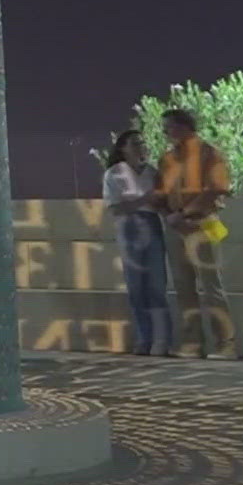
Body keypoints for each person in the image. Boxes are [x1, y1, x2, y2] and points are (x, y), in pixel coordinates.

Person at [157, 109, 238, 359]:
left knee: (211, 287)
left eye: (169, 127)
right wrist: (169, 215)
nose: (165, 133)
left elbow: (217, 188)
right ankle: (193, 343)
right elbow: (159, 192)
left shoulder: (209, 154)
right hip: (175, 227)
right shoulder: (167, 159)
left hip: (202, 224)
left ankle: (226, 344)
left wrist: (185, 212)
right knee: (183, 287)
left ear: (185, 127)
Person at [102, 129, 172, 356]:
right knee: (136, 287)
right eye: (135, 143)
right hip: (129, 227)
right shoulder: (114, 174)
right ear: (123, 148)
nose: (140, 146)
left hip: (151, 225)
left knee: (156, 285)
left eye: (142, 142)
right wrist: (144, 200)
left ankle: (162, 341)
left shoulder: (152, 172)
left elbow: (162, 202)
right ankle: (144, 338)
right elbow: (115, 207)